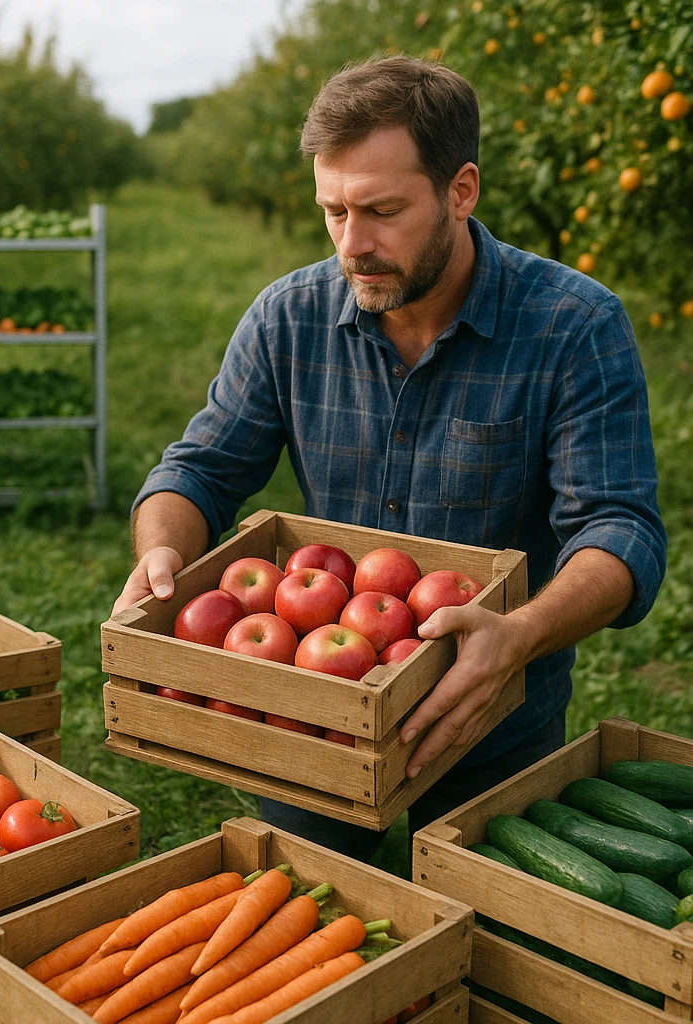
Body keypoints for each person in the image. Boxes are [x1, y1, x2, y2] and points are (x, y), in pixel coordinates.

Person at [112, 55, 666, 860]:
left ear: (461, 190)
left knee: (486, 950)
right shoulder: (287, 319)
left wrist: (518, 634)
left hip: (493, 713)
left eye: (381, 211)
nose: (352, 244)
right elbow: (200, 467)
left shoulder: (573, 327)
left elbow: (619, 528)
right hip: (316, 715)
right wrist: (162, 552)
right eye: (332, 211)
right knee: (315, 928)